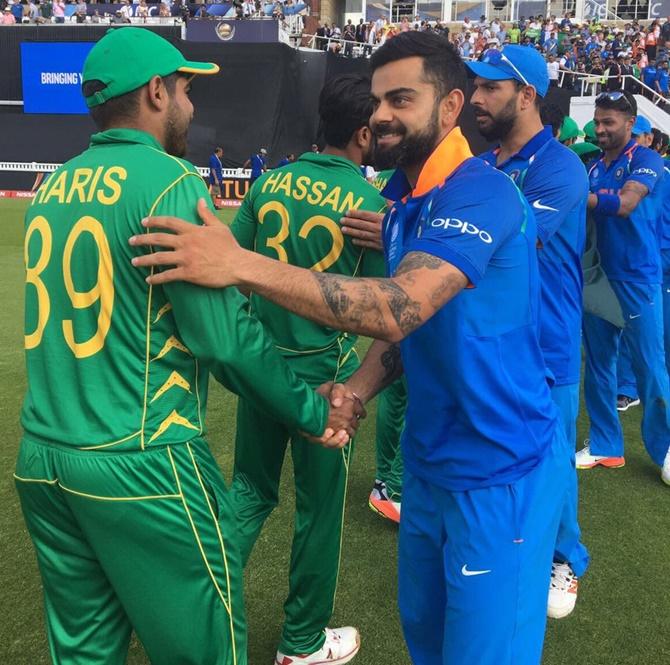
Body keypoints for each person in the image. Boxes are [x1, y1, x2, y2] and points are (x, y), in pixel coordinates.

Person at [131, 31, 571, 665]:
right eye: (375, 100)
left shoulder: (482, 192)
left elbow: (399, 308)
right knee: (428, 639)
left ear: (450, 107)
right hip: (430, 464)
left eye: (401, 99)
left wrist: (241, 264)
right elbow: (412, 334)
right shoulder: (401, 202)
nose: (381, 114)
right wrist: (356, 392)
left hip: (501, 469)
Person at [17, 28, 359, 665]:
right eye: (185, 88)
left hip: (44, 460)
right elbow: (223, 339)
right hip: (144, 458)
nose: (192, 105)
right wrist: (314, 413)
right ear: (155, 92)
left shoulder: (53, 185)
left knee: (86, 652)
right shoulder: (171, 182)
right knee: (206, 649)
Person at [225, 73, 387, 665]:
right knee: (319, 514)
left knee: (248, 491)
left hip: (263, 372)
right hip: (328, 385)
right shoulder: (371, 205)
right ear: (364, 133)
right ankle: (300, 644)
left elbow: (234, 265)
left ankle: (202, 607)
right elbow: (383, 307)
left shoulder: (269, 185)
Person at [467, 44, 589, 621]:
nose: (476, 97)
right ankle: (520, 545)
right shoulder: (487, 164)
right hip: (501, 341)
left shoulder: (561, 166)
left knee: (556, 459)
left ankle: (564, 558)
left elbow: (507, 246)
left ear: (527, 95)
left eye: (491, 87)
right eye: (477, 85)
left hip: (550, 343)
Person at [579, 90, 670, 485]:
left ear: (630, 124)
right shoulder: (595, 166)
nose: (600, 129)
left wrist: (579, 197)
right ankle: (605, 445)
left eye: (608, 123)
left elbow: (628, 203)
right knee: (599, 366)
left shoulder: (646, 160)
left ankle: (666, 450)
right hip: (598, 279)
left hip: (637, 276)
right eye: (597, 122)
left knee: (650, 367)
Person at [208, 145, 224, 209]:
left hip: (218, 177)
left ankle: (214, 204)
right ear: (218, 152)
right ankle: (214, 205)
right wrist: (216, 179)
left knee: (215, 192)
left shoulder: (216, 158)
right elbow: (213, 169)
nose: (222, 154)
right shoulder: (213, 158)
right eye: (221, 152)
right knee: (214, 192)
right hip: (216, 177)